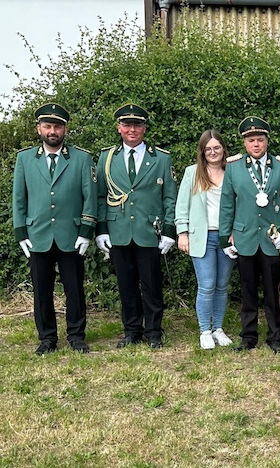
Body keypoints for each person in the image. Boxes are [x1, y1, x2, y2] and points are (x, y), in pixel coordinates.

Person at [12, 103, 96, 355]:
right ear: (39, 128)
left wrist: (86, 230)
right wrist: (20, 232)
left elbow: (89, 197)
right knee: (41, 290)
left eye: (57, 126)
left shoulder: (81, 158)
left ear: (65, 129)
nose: (52, 131)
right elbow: (18, 198)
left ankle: (76, 335)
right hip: (37, 235)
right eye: (47, 126)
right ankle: (47, 338)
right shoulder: (24, 159)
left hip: (70, 235)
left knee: (75, 289)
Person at [95, 103, 177, 349]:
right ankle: (131, 330)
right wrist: (101, 230)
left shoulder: (161, 158)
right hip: (119, 230)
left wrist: (170, 232)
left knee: (152, 284)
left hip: (150, 231)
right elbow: (100, 196)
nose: (132, 129)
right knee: (126, 284)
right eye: (127, 124)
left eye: (137, 125)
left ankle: (153, 331)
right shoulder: (106, 158)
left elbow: (170, 198)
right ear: (119, 128)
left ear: (144, 128)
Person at [219, 116, 280, 353]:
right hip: (244, 239)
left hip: (271, 240)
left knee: (273, 292)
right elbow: (227, 205)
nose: (256, 145)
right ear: (244, 143)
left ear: (267, 141)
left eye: (260, 140)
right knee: (248, 290)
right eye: (251, 140)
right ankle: (248, 336)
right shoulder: (233, 168)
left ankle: (275, 337)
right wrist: (225, 237)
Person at [176, 129, 236, 350]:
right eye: (208, 149)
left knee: (222, 285)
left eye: (216, 148)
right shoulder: (192, 173)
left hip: (226, 237)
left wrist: (235, 232)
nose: (213, 152)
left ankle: (218, 328)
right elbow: (182, 205)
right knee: (207, 284)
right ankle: (204, 331)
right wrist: (182, 233)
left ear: (223, 149)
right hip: (201, 236)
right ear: (202, 151)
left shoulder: (232, 171)